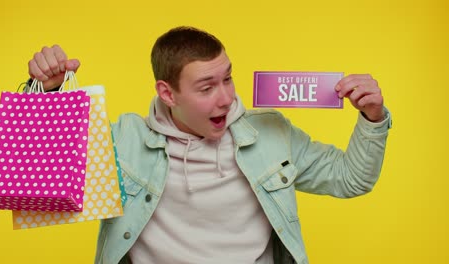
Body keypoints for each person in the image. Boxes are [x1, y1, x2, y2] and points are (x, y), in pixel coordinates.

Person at [27, 26, 391, 264]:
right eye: (206, 88)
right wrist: (48, 92)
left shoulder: (270, 133)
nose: (226, 98)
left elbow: (350, 179)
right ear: (167, 93)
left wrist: (372, 117)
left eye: (228, 79)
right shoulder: (125, 141)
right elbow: (43, 179)